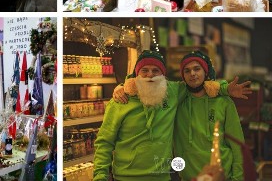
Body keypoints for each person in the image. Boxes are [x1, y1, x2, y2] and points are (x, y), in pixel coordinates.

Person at [95, 50, 250, 180]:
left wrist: (225, 89)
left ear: (163, 76)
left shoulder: (173, 94)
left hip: (166, 176)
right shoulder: (120, 102)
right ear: (136, 75)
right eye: (144, 70)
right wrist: (100, 176)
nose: (150, 75)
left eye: (156, 71)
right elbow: (104, 142)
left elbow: (201, 85)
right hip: (126, 177)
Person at [174, 51, 244, 180]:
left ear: (205, 72)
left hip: (222, 176)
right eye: (187, 71)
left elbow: (237, 144)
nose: (192, 74)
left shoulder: (224, 102)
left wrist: (238, 178)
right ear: (183, 76)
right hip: (189, 176)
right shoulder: (178, 103)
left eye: (197, 69)